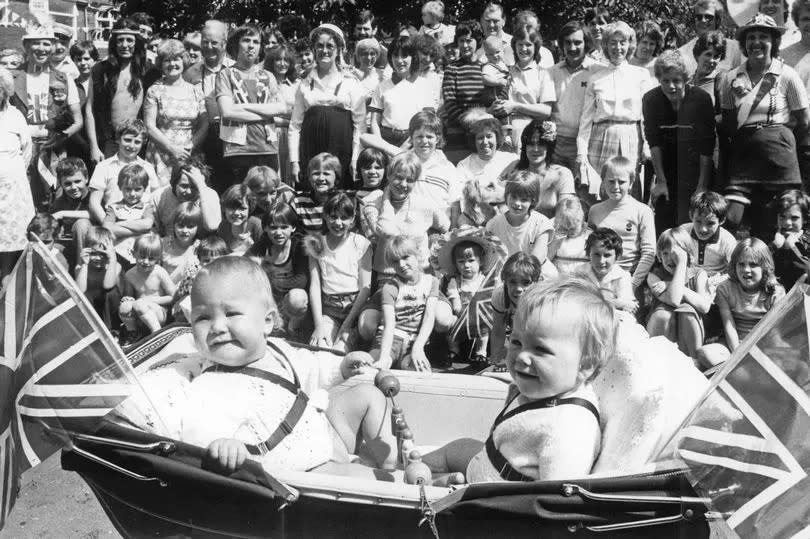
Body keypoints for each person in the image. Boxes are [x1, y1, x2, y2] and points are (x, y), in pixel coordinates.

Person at [129, 256, 396, 475]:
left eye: (232, 313)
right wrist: (225, 446)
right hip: (307, 463)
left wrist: (343, 366)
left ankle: (389, 461)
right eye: (202, 318)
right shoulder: (209, 385)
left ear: (267, 322)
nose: (218, 327)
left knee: (368, 396)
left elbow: (311, 366)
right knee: (361, 478)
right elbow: (199, 428)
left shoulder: (278, 350)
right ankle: (386, 478)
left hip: (326, 430)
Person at [422, 276, 616, 483]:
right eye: (516, 341)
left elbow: (552, 500)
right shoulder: (546, 388)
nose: (522, 356)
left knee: (426, 480)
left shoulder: (569, 431)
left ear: (585, 365)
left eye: (540, 349)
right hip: (490, 463)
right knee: (456, 448)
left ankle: (425, 483)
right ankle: (411, 463)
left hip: (489, 500)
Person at [720, 13, 810, 239]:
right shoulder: (731, 78)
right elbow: (729, 122)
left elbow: (804, 121)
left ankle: (784, 269)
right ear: (744, 43)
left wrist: (780, 139)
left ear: (774, 42)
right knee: (732, 217)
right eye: (751, 37)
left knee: (780, 217)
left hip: (779, 156)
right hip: (745, 155)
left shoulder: (787, 75)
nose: (756, 42)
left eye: (763, 37)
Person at [577, 21, 653, 200]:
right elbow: (586, 119)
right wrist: (581, 151)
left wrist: (647, 146)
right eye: (612, 42)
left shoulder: (641, 75)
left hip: (631, 138)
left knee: (627, 191)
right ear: (605, 45)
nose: (617, 47)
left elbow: (647, 116)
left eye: (622, 42)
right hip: (600, 138)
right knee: (600, 192)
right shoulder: (595, 77)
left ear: (630, 45)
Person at [11, 26, 83, 210]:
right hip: (19, 149)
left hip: (54, 147)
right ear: (26, 47)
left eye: (46, 43)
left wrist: (61, 137)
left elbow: (78, 120)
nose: (42, 48)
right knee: (22, 195)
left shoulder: (63, 78)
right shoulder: (12, 77)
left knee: (53, 195)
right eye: (36, 43)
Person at [644, 50, 716, 231]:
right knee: (664, 226)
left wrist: (701, 187)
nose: (671, 86)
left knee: (694, 225)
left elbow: (706, 147)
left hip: (696, 170)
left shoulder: (701, 99)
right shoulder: (651, 99)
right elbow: (654, 143)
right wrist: (661, 182)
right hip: (666, 170)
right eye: (665, 81)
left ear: (686, 79)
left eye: (676, 80)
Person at [289, 24, 366, 188]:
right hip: (310, 148)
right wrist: (294, 161)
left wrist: (355, 158)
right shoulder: (304, 83)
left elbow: (359, 125)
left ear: (338, 50)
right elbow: (295, 126)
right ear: (314, 49)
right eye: (319, 46)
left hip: (342, 148)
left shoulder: (350, 83)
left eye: (330, 46)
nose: (324, 50)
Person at [216, 24, 287, 187]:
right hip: (238, 149)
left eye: (256, 42)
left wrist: (242, 107)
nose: (251, 46)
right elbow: (227, 112)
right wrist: (267, 113)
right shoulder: (226, 75)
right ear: (236, 44)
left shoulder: (268, 76)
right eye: (246, 40)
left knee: (269, 195)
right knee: (241, 198)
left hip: (267, 147)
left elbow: (281, 108)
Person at [696, 238, 785, 367]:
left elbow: (773, 333)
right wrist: (738, 355)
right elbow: (729, 326)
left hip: (763, 345)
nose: (746, 270)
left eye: (753, 264)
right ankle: (740, 371)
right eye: (741, 264)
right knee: (705, 353)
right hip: (733, 344)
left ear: (765, 267)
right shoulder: (725, 288)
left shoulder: (776, 292)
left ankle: (743, 373)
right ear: (734, 265)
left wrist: (758, 355)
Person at [85, 18, 156, 162]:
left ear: (137, 42)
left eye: (129, 40)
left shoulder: (149, 71)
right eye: (120, 40)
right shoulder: (100, 70)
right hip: (108, 142)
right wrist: (94, 146)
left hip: (138, 142)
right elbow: (89, 110)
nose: (125, 45)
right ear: (114, 43)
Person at [306, 193, 371, 351]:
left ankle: (353, 339)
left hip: (354, 308)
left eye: (344, 218)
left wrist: (346, 326)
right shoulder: (316, 243)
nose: (338, 223)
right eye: (333, 217)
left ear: (352, 219)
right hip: (330, 308)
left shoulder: (360, 243)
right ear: (325, 216)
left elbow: (365, 287)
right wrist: (319, 325)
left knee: (339, 351)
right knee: (319, 347)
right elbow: (315, 285)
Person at [370, 235, 440, 371]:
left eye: (406, 257)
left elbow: (429, 317)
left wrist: (418, 347)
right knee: (376, 363)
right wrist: (384, 357)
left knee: (418, 370)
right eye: (395, 261)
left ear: (417, 255)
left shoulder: (431, 282)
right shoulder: (390, 287)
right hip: (393, 337)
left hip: (415, 339)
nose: (401, 264)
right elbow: (389, 325)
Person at [144, 39, 208, 186]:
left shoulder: (196, 91)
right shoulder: (155, 90)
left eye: (177, 59)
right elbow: (149, 126)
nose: (172, 64)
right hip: (161, 153)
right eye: (167, 60)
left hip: (189, 153)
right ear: (161, 63)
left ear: (183, 60)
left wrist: (191, 146)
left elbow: (204, 125)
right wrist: (172, 149)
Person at [588, 156, 656, 293]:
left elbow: (649, 252)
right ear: (603, 181)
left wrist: (633, 284)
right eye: (611, 181)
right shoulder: (594, 211)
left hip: (630, 276)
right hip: (600, 276)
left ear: (631, 183)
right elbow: (590, 247)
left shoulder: (642, 211)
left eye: (622, 182)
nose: (616, 187)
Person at [646, 226, 712, 358]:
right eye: (665, 253)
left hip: (688, 334)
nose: (670, 258)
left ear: (687, 254)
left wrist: (671, 281)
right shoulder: (655, 277)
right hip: (662, 331)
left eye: (675, 254)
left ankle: (693, 362)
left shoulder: (699, 274)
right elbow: (674, 299)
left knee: (687, 310)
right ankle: (658, 360)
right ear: (659, 256)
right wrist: (676, 273)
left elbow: (704, 307)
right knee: (663, 314)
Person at [548, 21, 606, 170]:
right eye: (567, 43)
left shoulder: (598, 71)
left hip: (586, 143)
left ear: (586, 43)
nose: (572, 48)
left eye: (577, 42)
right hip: (556, 143)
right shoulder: (551, 72)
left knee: (583, 190)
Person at [246, 203, 309, 338]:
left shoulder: (298, 246)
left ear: (293, 228)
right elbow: (244, 264)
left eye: (284, 227)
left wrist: (269, 277)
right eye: (273, 228)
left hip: (290, 303)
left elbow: (301, 281)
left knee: (298, 297)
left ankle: (294, 330)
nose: (278, 232)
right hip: (270, 299)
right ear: (266, 229)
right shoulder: (263, 244)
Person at [184, 20, 232, 193]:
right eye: (205, 42)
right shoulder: (190, 73)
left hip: (232, 141)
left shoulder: (236, 70)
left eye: (214, 43)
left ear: (224, 44)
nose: (209, 47)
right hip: (202, 142)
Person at [489, 26, 555, 153]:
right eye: (520, 44)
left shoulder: (544, 74)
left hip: (531, 134)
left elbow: (547, 110)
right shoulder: (506, 70)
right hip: (503, 131)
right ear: (514, 46)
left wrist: (515, 106)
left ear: (536, 47)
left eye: (528, 44)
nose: (524, 49)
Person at [501, 121, 577, 221]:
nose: (535, 149)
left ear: (549, 147)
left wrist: (541, 229)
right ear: (525, 147)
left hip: (552, 229)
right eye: (531, 144)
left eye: (541, 144)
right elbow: (502, 204)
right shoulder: (515, 169)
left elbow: (566, 211)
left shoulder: (562, 174)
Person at [88, 119, 159, 225]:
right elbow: (94, 203)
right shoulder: (104, 167)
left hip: (141, 223)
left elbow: (155, 200)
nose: (131, 146)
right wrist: (109, 225)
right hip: (113, 221)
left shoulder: (148, 168)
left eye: (137, 142)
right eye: (127, 140)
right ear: (118, 139)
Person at [438, 234, 496, 364]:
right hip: (460, 314)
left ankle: (481, 353)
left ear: (480, 261)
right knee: (451, 325)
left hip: (478, 316)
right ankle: (454, 350)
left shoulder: (483, 281)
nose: (466, 265)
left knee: (483, 328)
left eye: (471, 261)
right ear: (456, 264)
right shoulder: (455, 281)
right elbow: (453, 294)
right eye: (461, 262)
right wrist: (457, 305)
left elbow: (488, 297)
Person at [0, 67, 34, 281]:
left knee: (11, 241)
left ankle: (7, 282)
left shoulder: (15, 116)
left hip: (12, 189)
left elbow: (27, 150)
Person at [486, 170, 553, 264]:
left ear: (533, 201)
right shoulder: (494, 224)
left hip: (535, 272)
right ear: (506, 195)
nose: (517, 203)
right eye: (513, 197)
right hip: (505, 273)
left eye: (524, 200)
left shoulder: (541, 223)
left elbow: (538, 258)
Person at [453, 117, 514, 221]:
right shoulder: (464, 165)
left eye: (489, 136)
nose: (485, 142)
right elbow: (463, 200)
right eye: (480, 138)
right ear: (474, 141)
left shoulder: (511, 160)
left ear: (497, 138)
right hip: (477, 219)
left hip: (508, 217)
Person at [441, 20, 487, 160]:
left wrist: (482, 126)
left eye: (469, 40)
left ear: (477, 41)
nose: (465, 45)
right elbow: (450, 103)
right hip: (458, 131)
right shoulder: (452, 68)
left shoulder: (486, 67)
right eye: (461, 41)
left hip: (484, 132)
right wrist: (471, 124)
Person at [119, 233, 176, 340]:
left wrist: (150, 300)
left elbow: (173, 297)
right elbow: (129, 296)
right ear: (133, 253)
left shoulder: (159, 273)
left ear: (158, 258)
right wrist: (128, 299)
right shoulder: (129, 275)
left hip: (160, 313)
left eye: (151, 258)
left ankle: (158, 334)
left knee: (140, 304)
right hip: (140, 313)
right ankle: (133, 334)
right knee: (125, 307)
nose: (146, 261)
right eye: (142, 257)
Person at [489, 253, 543, 364]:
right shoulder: (500, 295)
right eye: (513, 282)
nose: (518, 288)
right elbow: (498, 330)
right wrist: (494, 361)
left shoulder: (543, 299)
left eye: (526, 283)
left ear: (536, 282)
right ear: (505, 280)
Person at [151, 157, 221, 238]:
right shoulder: (158, 197)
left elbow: (212, 226)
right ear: (174, 183)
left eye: (194, 186)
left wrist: (201, 186)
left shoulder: (209, 194)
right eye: (184, 186)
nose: (189, 192)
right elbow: (152, 230)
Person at [102, 163, 155, 266]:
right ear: (120, 187)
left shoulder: (147, 207)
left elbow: (147, 225)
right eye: (128, 189)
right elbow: (107, 228)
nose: (132, 194)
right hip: (118, 254)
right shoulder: (113, 208)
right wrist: (139, 231)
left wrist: (118, 225)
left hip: (142, 256)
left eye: (137, 189)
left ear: (144, 188)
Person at [578, 227, 638, 316]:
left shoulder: (622, 276)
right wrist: (616, 303)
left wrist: (592, 302)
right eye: (596, 255)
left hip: (613, 319)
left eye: (607, 255)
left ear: (617, 256)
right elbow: (577, 301)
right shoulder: (580, 272)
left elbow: (628, 306)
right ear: (588, 254)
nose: (601, 261)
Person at [683, 191, 737, 288]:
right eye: (698, 221)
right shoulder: (683, 232)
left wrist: (715, 281)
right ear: (691, 216)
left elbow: (735, 269)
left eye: (710, 223)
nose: (703, 229)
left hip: (715, 283)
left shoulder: (727, 240)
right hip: (687, 280)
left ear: (721, 220)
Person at [171, 235, 230, 323]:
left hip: (218, 308)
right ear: (199, 260)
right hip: (195, 307)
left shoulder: (229, 275)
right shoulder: (194, 274)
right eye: (206, 260)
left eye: (216, 260)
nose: (211, 264)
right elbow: (181, 293)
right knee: (184, 305)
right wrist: (176, 303)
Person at [264, 44, 299, 187]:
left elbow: (298, 114)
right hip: (270, 132)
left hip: (290, 133)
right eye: (278, 60)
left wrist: (281, 117)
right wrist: (286, 117)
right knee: (272, 173)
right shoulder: (264, 83)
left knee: (290, 171)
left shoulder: (296, 85)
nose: (282, 64)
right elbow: (266, 113)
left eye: (286, 60)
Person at [677, 0, 743, 76]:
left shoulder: (734, 49)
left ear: (717, 21)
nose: (703, 20)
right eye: (699, 17)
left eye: (708, 17)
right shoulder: (683, 52)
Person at [75, 226, 121, 328]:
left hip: (109, 309)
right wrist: (85, 265)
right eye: (93, 253)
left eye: (102, 254)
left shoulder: (115, 266)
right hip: (91, 309)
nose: (98, 258)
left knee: (111, 292)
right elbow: (79, 291)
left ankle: (114, 329)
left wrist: (112, 259)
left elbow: (108, 286)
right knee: (83, 296)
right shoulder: (80, 268)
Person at [50, 157, 92, 264]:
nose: (74, 187)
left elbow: (94, 214)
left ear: (86, 178)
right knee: (53, 249)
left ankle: (81, 266)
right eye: (67, 184)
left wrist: (63, 213)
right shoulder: (59, 201)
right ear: (61, 183)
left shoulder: (93, 196)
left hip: (91, 244)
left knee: (81, 224)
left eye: (78, 181)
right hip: (70, 243)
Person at [293, 152, 344, 233]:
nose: (321, 178)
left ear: (336, 177)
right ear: (309, 177)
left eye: (326, 174)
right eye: (316, 173)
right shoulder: (299, 201)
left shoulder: (343, 200)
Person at [65, 41, 98, 163]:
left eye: (87, 59)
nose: (83, 63)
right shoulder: (70, 84)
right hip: (77, 140)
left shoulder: (99, 82)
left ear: (94, 60)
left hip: (98, 137)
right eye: (78, 59)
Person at [771, 189, 810, 289]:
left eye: (794, 218)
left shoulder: (807, 241)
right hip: (776, 295)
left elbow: (807, 271)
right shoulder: (772, 239)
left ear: (804, 219)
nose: (787, 222)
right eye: (782, 216)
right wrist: (775, 247)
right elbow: (760, 265)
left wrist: (793, 248)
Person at [160, 202, 201, 284]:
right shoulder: (164, 243)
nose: (185, 231)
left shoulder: (199, 247)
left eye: (190, 227)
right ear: (174, 225)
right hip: (164, 289)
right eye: (181, 226)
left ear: (198, 227)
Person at [548, 198, 590, 274]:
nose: (568, 231)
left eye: (573, 228)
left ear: (581, 219)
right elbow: (544, 261)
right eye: (564, 227)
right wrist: (554, 245)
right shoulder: (550, 229)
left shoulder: (589, 234)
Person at [216, 184, 262, 255]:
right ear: (224, 208)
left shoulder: (257, 226)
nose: (236, 213)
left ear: (250, 208)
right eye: (232, 208)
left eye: (242, 208)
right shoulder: (223, 227)